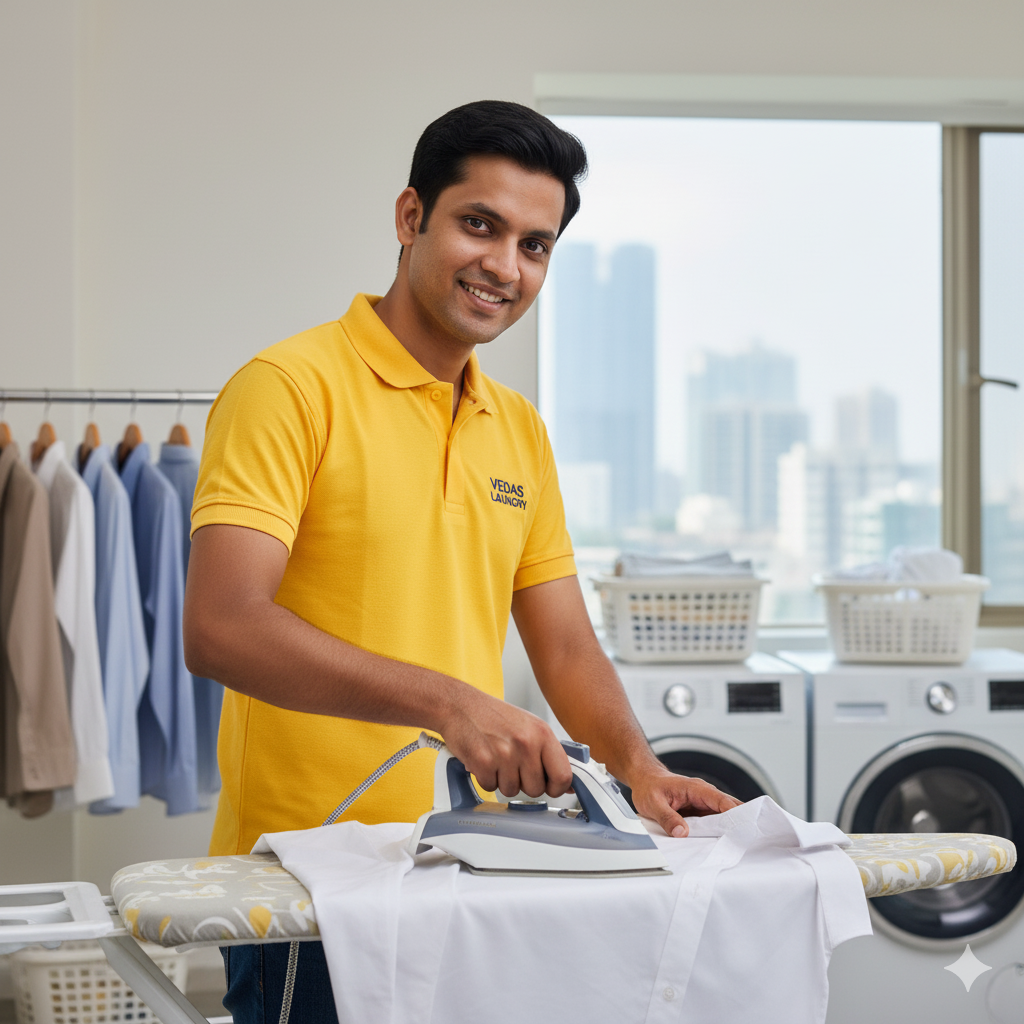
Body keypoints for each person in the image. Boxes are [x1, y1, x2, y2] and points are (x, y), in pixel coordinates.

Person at [183, 99, 740, 1024]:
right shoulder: (288, 389)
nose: (504, 266)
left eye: (535, 245)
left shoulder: (516, 428)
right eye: (479, 225)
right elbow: (222, 626)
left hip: (474, 871)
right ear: (411, 219)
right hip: (312, 891)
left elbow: (562, 643)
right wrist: (451, 704)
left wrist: (637, 766)